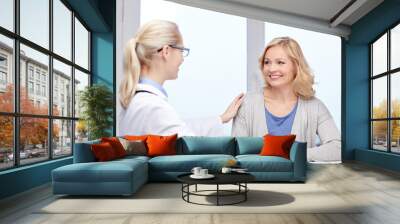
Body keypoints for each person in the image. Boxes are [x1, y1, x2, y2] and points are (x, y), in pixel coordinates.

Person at [119, 20, 244, 137]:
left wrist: (221, 118)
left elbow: (180, 127)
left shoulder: (139, 102)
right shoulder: (153, 107)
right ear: (166, 51)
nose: (182, 59)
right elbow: (189, 146)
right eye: (181, 50)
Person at [232, 37, 341, 162]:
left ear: (296, 66)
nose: (271, 69)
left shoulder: (314, 106)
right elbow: (238, 151)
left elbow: (337, 148)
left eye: (280, 62)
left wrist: (296, 154)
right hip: (256, 180)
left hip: (300, 181)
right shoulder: (247, 104)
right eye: (267, 62)